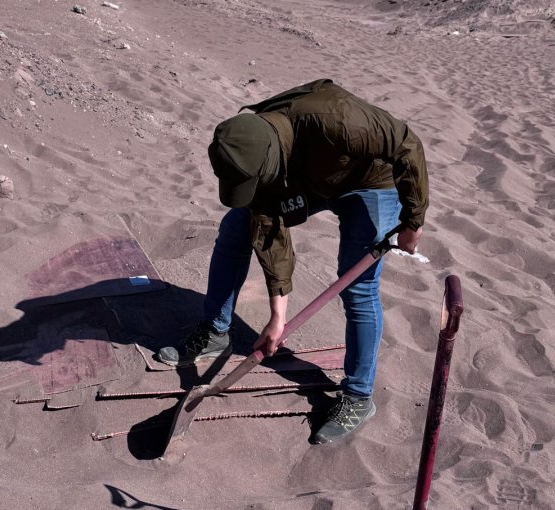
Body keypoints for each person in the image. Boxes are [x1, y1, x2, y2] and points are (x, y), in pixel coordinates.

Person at [157, 79, 428, 444]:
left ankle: (358, 397)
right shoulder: (253, 146)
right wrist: (277, 317)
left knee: (357, 286)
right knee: (237, 229)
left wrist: (413, 220)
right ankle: (215, 333)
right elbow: (270, 235)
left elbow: (407, 145)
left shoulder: (338, 121)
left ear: (269, 162)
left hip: (369, 182)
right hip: (306, 178)